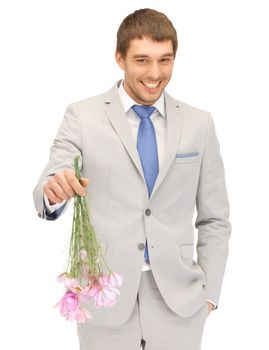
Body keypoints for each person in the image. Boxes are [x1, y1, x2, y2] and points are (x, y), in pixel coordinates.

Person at [33, 8, 231, 350]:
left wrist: (209, 294)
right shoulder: (82, 116)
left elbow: (215, 218)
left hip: (180, 303)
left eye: (165, 60)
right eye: (142, 60)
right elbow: (48, 184)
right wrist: (55, 190)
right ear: (119, 58)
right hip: (104, 297)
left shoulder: (200, 123)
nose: (155, 74)